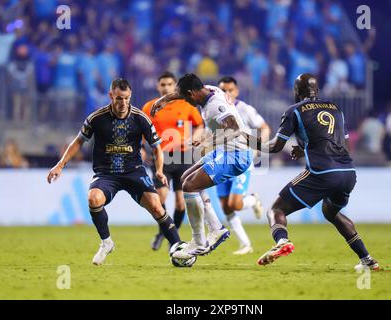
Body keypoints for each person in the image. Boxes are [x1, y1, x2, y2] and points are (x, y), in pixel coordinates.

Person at [47, 78, 182, 266]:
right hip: (106, 173)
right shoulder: (96, 118)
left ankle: (178, 246)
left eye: (126, 98)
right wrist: (60, 165)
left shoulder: (140, 118)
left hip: (133, 171)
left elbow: (157, 147)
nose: (123, 103)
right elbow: (78, 141)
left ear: (130, 96)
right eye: (119, 98)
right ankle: (106, 242)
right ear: (111, 96)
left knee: (157, 205)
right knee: (93, 199)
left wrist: (159, 170)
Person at [252, 73, 379, 271]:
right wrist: (305, 149)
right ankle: (367, 259)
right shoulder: (336, 109)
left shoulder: (294, 110)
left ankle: (282, 241)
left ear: (296, 91)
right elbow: (340, 143)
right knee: (331, 211)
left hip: (322, 172)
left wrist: (251, 142)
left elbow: (276, 146)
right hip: (348, 171)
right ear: (317, 90)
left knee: (276, 210)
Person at [151, 73, 259, 259]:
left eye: (186, 98)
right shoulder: (209, 89)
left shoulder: (215, 106)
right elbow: (179, 92)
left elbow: (234, 130)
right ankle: (216, 228)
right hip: (225, 151)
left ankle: (200, 241)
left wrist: (209, 142)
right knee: (186, 179)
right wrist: (163, 100)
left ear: (192, 93)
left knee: (189, 186)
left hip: (235, 155)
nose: (185, 101)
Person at [142, 71, 204, 251]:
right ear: (157, 86)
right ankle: (164, 228)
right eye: (162, 84)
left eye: (169, 84)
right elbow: (140, 129)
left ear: (175, 86)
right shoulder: (149, 107)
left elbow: (199, 124)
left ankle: (170, 234)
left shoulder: (186, 104)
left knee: (180, 202)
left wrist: (196, 136)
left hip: (183, 156)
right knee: (160, 196)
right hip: (160, 156)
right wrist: (141, 148)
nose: (166, 87)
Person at [217, 76, 268, 254]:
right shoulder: (216, 109)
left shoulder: (244, 109)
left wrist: (258, 148)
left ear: (236, 91)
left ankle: (253, 199)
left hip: (241, 161)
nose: (226, 93)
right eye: (223, 90)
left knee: (235, 203)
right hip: (221, 160)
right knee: (225, 206)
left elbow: (265, 127)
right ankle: (245, 244)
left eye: (230, 90)